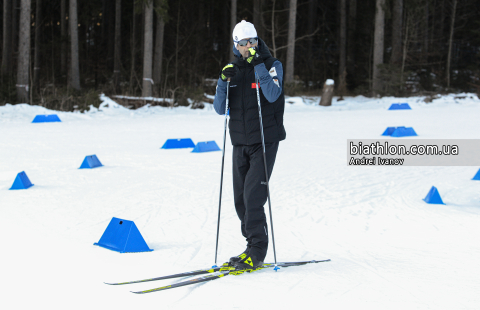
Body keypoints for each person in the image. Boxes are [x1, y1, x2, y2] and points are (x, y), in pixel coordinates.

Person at [213, 20, 286, 269]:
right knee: (240, 200)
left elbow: (273, 95)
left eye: (252, 42)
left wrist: (259, 68)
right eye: (243, 44)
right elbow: (219, 108)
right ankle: (250, 245)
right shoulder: (233, 70)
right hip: (240, 141)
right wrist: (223, 81)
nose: (248, 47)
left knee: (253, 197)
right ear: (236, 46)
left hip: (265, 139)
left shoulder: (271, 65)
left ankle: (257, 251)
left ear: (258, 41)